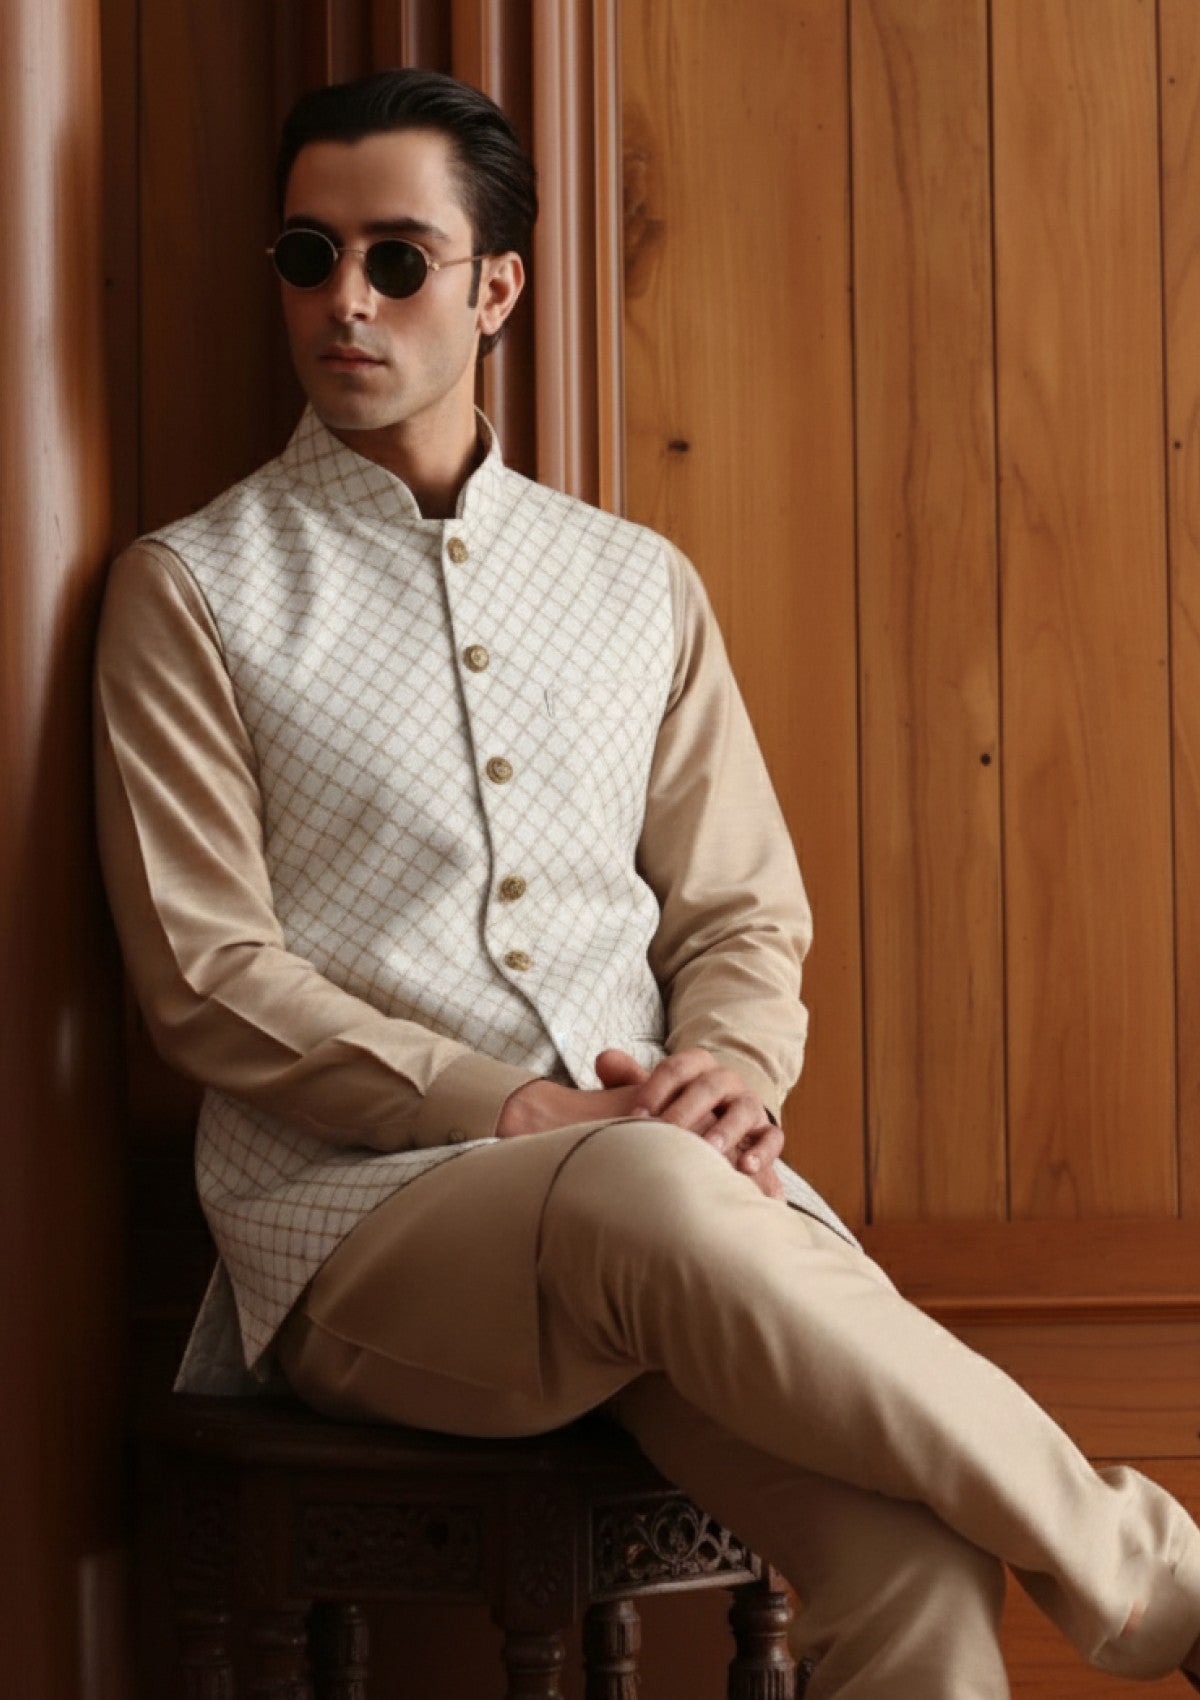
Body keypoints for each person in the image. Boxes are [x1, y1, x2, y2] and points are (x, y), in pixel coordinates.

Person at [94, 66, 1200, 1697]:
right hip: (365, 1235)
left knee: (912, 1560)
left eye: (397, 259)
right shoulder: (193, 590)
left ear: (496, 289)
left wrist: (731, 1072)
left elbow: (740, 908)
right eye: (308, 257)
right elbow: (206, 977)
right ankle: (1156, 1582)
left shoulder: (634, 584)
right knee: (645, 1190)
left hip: (681, 1222)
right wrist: (515, 1108)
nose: (346, 301)